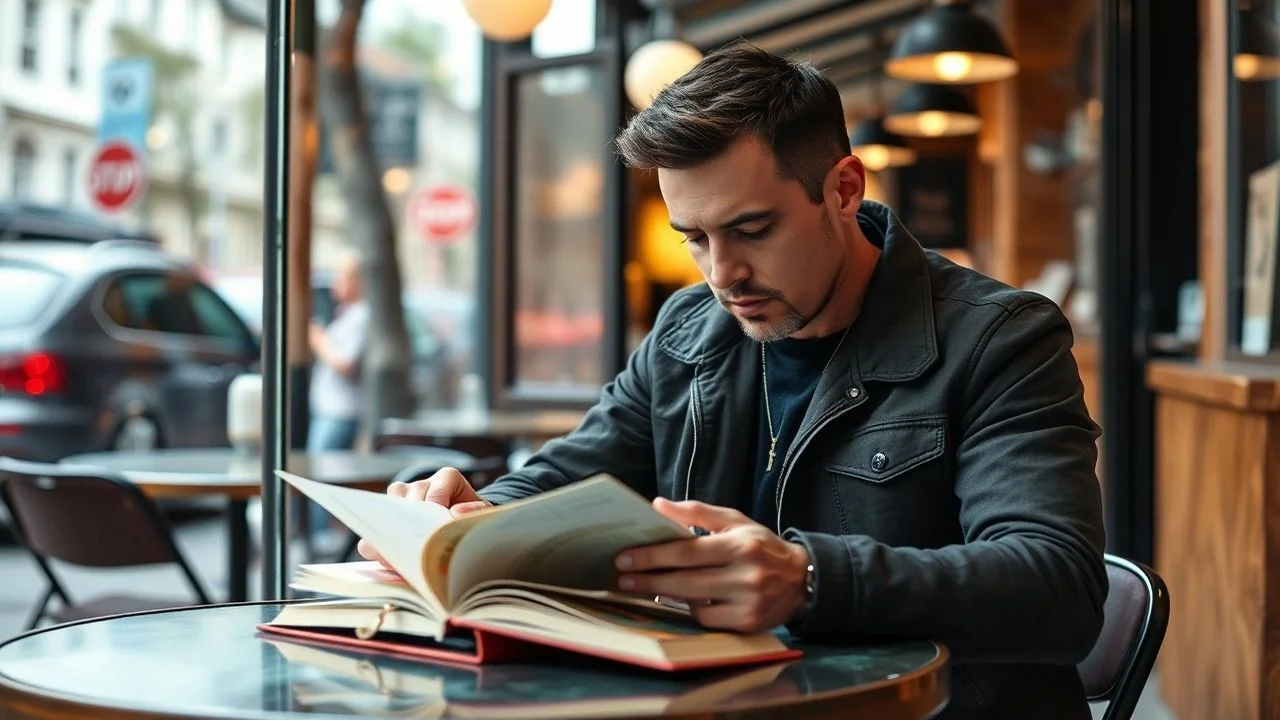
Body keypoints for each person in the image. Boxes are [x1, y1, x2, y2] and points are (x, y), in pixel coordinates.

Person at [361, 43, 1107, 719]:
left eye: (752, 230)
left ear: (844, 188)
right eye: (696, 239)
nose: (724, 275)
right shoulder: (690, 331)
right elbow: (570, 474)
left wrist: (812, 578)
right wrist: (471, 517)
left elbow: (1057, 587)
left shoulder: (999, 338)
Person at [304, 249, 370, 551]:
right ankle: (320, 540)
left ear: (356, 279)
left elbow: (345, 364)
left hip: (340, 411)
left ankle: (323, 542)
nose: (334, 284)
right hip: (330, 409)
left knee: (321, 476)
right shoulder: (347, 315)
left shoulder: (361, 316)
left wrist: (319, 341)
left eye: (340, 277)